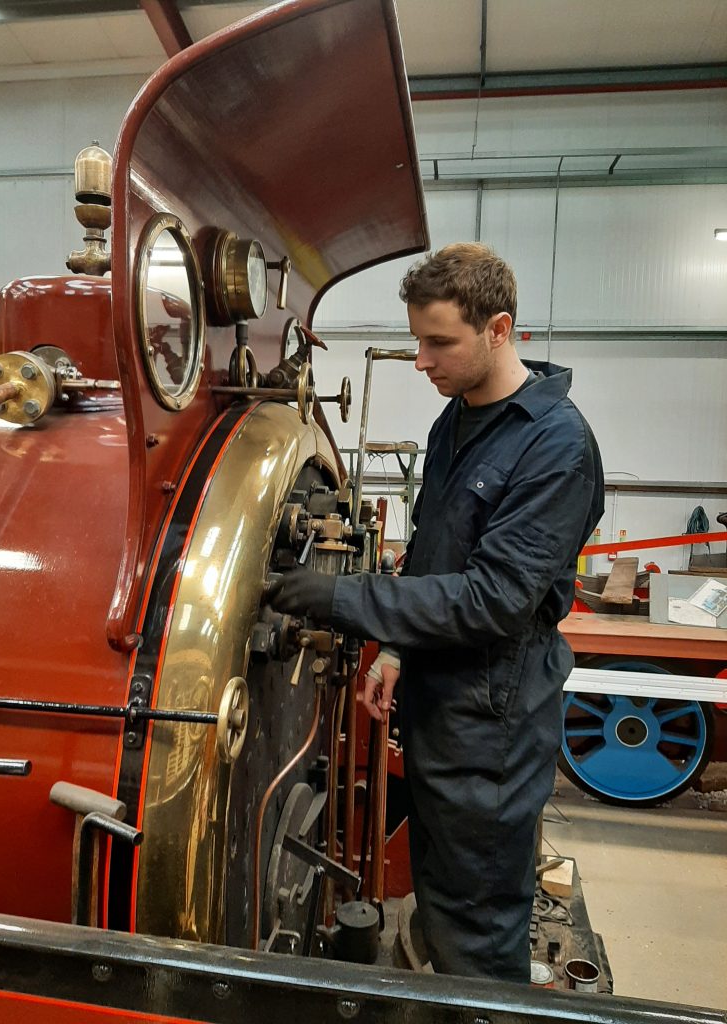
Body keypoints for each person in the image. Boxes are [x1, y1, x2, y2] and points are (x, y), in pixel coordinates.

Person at [268, 243, 604, 983]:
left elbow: (492, 597)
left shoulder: (556, 446)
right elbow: (435, 552)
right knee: (443, 892)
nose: (420, 360)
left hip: (493, 724)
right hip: (442, 701)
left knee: (477, 925)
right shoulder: (457, 422)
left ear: (499, 329)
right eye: (417, 339)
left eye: (439, 342)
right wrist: (395, 651)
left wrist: (343, 600)